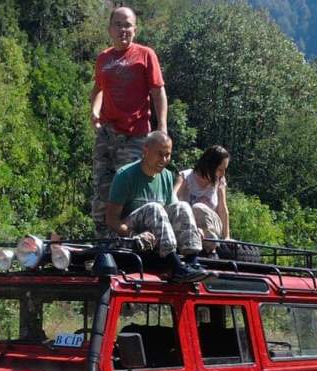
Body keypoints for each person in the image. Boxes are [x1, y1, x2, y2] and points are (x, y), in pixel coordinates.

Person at [90, 5, 168, 235]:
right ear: (109, 29)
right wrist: (94, 112)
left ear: (135, 29)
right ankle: (104, 240)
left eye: (127, 25)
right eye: (118, 24)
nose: (123, 29)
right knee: (102, 186)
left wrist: (162, 127)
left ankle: (134, 238)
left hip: (135, 135)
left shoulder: (145, 55)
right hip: (107, 134)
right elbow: (98, 89)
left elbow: (158, 92)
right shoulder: (103, 58)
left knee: (129, 189)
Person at [106, 131, 206, 282]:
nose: (164, 160)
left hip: (157, 234)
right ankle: (175, 266)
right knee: (154, 207)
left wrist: (192, 230)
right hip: (129, 235)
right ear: (145, 150)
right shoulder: (125, 175)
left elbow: (174, 210)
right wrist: (133, 234)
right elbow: (111, 220)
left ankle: (192, 262)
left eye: (168, 155)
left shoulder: (167, 176)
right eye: (160, 154)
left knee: (183, 206)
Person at [174, 145, 230, 253]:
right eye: (220, 170)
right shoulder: (186, 177)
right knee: (187, 208)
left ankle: (212, 247)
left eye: (225, 170)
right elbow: (173, 200)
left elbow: (223, 210)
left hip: (213, 226)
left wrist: (227, 237)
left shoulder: (220, 182)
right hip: (187, 227)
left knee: (198, 207)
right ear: (209, 165)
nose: (223, 174)